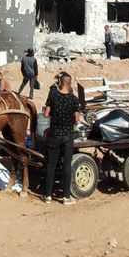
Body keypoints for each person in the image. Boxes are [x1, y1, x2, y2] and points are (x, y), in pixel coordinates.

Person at [42, 72, 81, 205]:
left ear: (60, 82)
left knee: (51, 165)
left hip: (54, 135)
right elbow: (77, 119)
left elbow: (46, 114)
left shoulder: (53, 96)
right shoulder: (74, 99)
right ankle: (66, 197)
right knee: (67, 166)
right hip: (68, 136)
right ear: (70, 84)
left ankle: (47, 196)